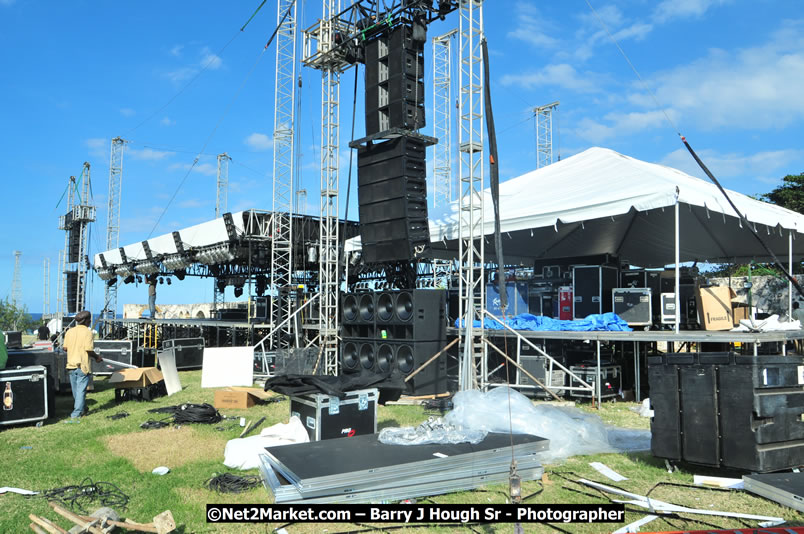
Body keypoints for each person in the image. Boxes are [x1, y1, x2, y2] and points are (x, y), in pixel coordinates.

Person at [63, 311, 101, 422]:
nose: (90, 322)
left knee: (76, 391)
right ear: (86, 320)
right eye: (89, 320)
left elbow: (65, 348)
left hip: (71, 364)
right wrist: (97, 357)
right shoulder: (88, 333)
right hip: (82, 365)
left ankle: (82, 408)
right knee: (80, 391)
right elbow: (88, 349)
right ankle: (76, 414)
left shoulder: (69, 331)